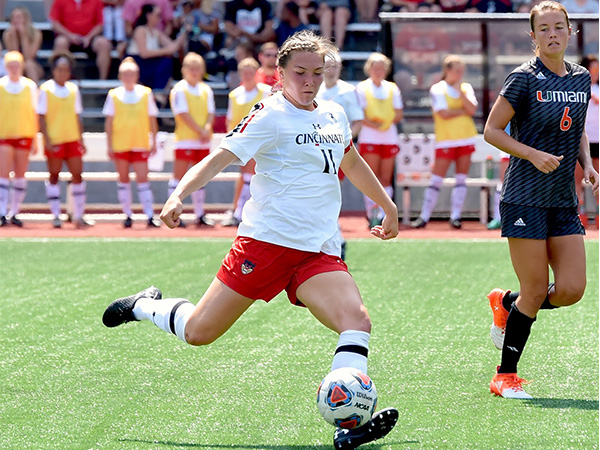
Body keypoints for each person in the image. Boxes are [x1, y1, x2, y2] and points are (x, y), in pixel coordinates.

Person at [102, 30, 399, 449]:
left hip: (317, 250)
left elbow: (351, 160)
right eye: (300, 72)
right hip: (265, 245)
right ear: (279, 72)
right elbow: (220, 157)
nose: (310, 81)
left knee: (357, 321)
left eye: (318, 72)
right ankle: (144, 305)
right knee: (200, 332)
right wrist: (179, 193)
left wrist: (387, 205)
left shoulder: (333, 113)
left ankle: (348, 425)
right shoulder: (268, 115)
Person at [483, 1, 598, 399]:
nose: (553, 34)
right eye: (544, 29)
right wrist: (531, 153)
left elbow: (577, 127)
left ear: (571, 32)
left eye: (559, 27)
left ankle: (506, 303)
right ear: (533, 37)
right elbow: (492, 131)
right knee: (535, 290)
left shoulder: (581, 77)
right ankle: (505, 376)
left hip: (563, 199)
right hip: (524, 197)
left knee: (570, 290)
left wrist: (588, 164)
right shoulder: (522, 78)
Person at [411, 55, 478, 230]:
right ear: (447, 70)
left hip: (465, 137)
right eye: (456, 70)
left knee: (461, 178)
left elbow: (471, 109)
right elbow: (443, 113)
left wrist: (461, 96)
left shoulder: (465, 88)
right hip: (446, 139)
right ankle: (424, 216)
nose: (460, 74)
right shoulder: (438, 88)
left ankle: (456, 216)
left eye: (461, 70)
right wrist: (462, 111)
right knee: (436, 179)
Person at [102, 57, 161, 228]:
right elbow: (109, 121)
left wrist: (154, 140)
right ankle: (127, 214)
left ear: (137, 75)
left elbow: (152, 119)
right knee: (123, 179)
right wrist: (109, 144)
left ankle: (149, 214)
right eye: (125, 74)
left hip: (140, 142)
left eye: (132, 74)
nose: (129, 77)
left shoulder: (145, 93)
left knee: (143, 179)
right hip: (121, 143)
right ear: (120, 76)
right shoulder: (114, 95)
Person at [317, 49, 365, 259]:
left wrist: (342, 142)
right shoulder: (314, 89)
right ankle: (331, 239)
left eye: (334, 66)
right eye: (327, 66)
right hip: (313, 150)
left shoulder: (347, 91)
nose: (330, 71)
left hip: (336, 152)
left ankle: (335, 240)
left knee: (329, 195)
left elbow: (358, 122)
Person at [38, 52, 94, 229]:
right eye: (59, 69)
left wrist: (81, 139)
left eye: (66, 70)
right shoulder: (46, 89)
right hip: (55, 139)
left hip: (71, 139)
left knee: (77, 175)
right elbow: (41, 117)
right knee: (54, 176)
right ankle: (56, 215)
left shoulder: (73, 89)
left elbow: (78, 116)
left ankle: (78, 215)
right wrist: (46, 139)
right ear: (53, 70)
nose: (63, 73)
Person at [168, 52, 216, 228]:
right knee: (178, 177)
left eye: (198, 68)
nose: (195, 72)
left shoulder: (206, 89)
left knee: (201, 177)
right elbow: (182, 114)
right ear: (185, 70)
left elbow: (211, 112)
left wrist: (206, 129)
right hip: (185, 139)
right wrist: (200, 130)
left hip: (202, 139)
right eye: (191, 68)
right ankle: (172, 211)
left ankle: (199, 213)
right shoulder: (179, 89)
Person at [355, 53, 403, 227]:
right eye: (375, 68)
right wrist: (374, 124)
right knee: (371, 176)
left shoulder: (392, 88)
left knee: (385, 178)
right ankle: (372, 213)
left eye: (382, 68)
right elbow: (360, 114)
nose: (378, 71)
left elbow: (398, 113)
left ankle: (384, 213)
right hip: (369, 136)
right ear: (369, 69)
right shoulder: (362, 88)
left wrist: (385, 122)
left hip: (388, 137)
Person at [222, 57, 270, 227]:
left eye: (251, 72)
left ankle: (241, 213)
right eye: (245, 72)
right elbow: (230, 119)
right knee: (246, 176)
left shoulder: (265, 92)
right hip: (241, 142)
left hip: (260, 142)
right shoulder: (235, 95)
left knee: (252, 177)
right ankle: (240, 212)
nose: (248, 76)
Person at [0, 51, 37, 227]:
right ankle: (1, 211)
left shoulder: (29, 86)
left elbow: (34, 113)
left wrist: (36, 138)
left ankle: (15, 211)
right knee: (4, 175)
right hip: (5, 135)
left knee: (21, 175)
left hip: (24, 134)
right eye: (11, 65)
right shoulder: (0, 85)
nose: (14, 69)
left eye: (17, 65)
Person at [126, 3, 186, 91]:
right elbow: (144, 53)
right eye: (158, 15)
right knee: (164, 63)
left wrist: (184, 31)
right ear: (148, 15)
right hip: (139, 62)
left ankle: (159, 94)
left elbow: (173, 47)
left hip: (151, 62)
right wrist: (165, 51)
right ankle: (158, 94)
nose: (160, 18)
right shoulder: (140, 30)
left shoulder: (156, 32)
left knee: (167, 63)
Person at [49, 0, 113, 80]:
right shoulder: (60, 1)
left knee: (104, 44)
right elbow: (55, 23)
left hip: (90, 38)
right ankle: (60, 80)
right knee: (60, 42)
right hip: (67, 36)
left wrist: (88, 37)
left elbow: (100, 24)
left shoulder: (96, 1)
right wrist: (70, 36)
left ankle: (103, 81)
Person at [574, 54, 599, 227]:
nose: (595, 72)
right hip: (581, 140)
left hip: (598, 140)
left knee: (598, 179)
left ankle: (598, 215)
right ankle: (578, 214)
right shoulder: (576, 89)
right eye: (593, 68)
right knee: (577, 179)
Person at [2, 8, 44, 83]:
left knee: (29, 64)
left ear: (25, 19)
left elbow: (29, 56)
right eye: (13, 17)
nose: (16, 20)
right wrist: (14, 38)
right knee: (14, 65)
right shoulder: (7, 34)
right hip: (16, 65)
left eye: (18, 17)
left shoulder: (36, 33)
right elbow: (14, 57)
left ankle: (34, 91)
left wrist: (24, 37)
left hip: (34, 65)